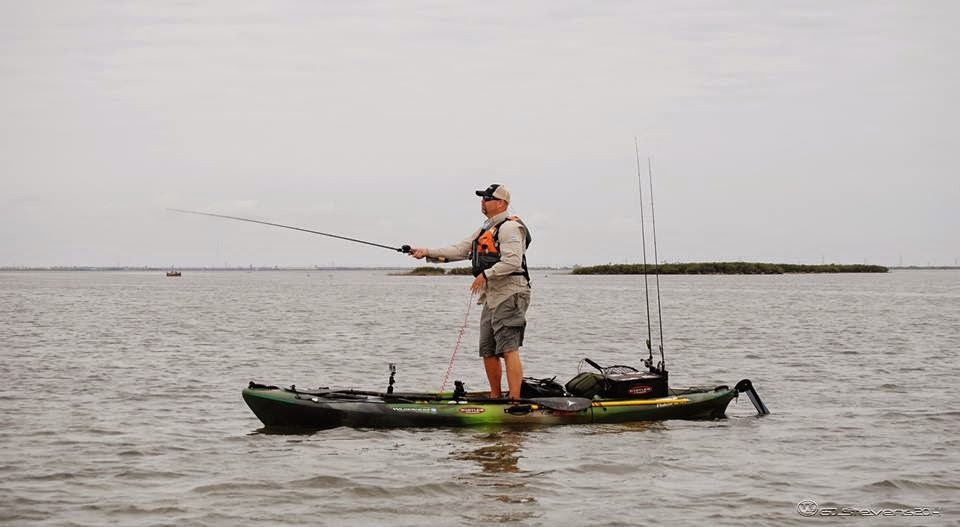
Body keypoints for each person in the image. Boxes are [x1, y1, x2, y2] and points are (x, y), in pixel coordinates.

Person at [409, 184, 532, 401]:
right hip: (491, 296)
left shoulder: (510, 228)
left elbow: (512, 261)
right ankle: (495, 398)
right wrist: (425, 252)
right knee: (488, 349)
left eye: (487, 198)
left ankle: (515, 401)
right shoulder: (484, 229)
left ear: (501, 203)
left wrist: (485, 275)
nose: (483, 201)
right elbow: (459, 250)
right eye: (482, 198)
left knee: (508, 348)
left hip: (511, 293)